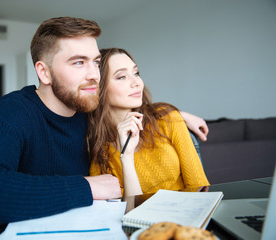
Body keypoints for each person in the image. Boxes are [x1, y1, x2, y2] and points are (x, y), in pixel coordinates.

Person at [0, 17, 208, 236]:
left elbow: (121, 105)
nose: (94, 75)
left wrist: (175, 114)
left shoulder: (89, 112)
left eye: (96, 62)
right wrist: (87, 186)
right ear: (44, 73)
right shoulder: (14, 111)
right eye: (78, 62)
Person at [88, 48, 210, 197]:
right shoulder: (98, 148)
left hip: (186, 215)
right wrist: (126, 156)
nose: (137, 83)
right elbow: (128, 209)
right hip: (138, 220)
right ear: (98, 88)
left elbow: (198, 185)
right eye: (121, 77)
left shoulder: (168, 118)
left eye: (136, 73)